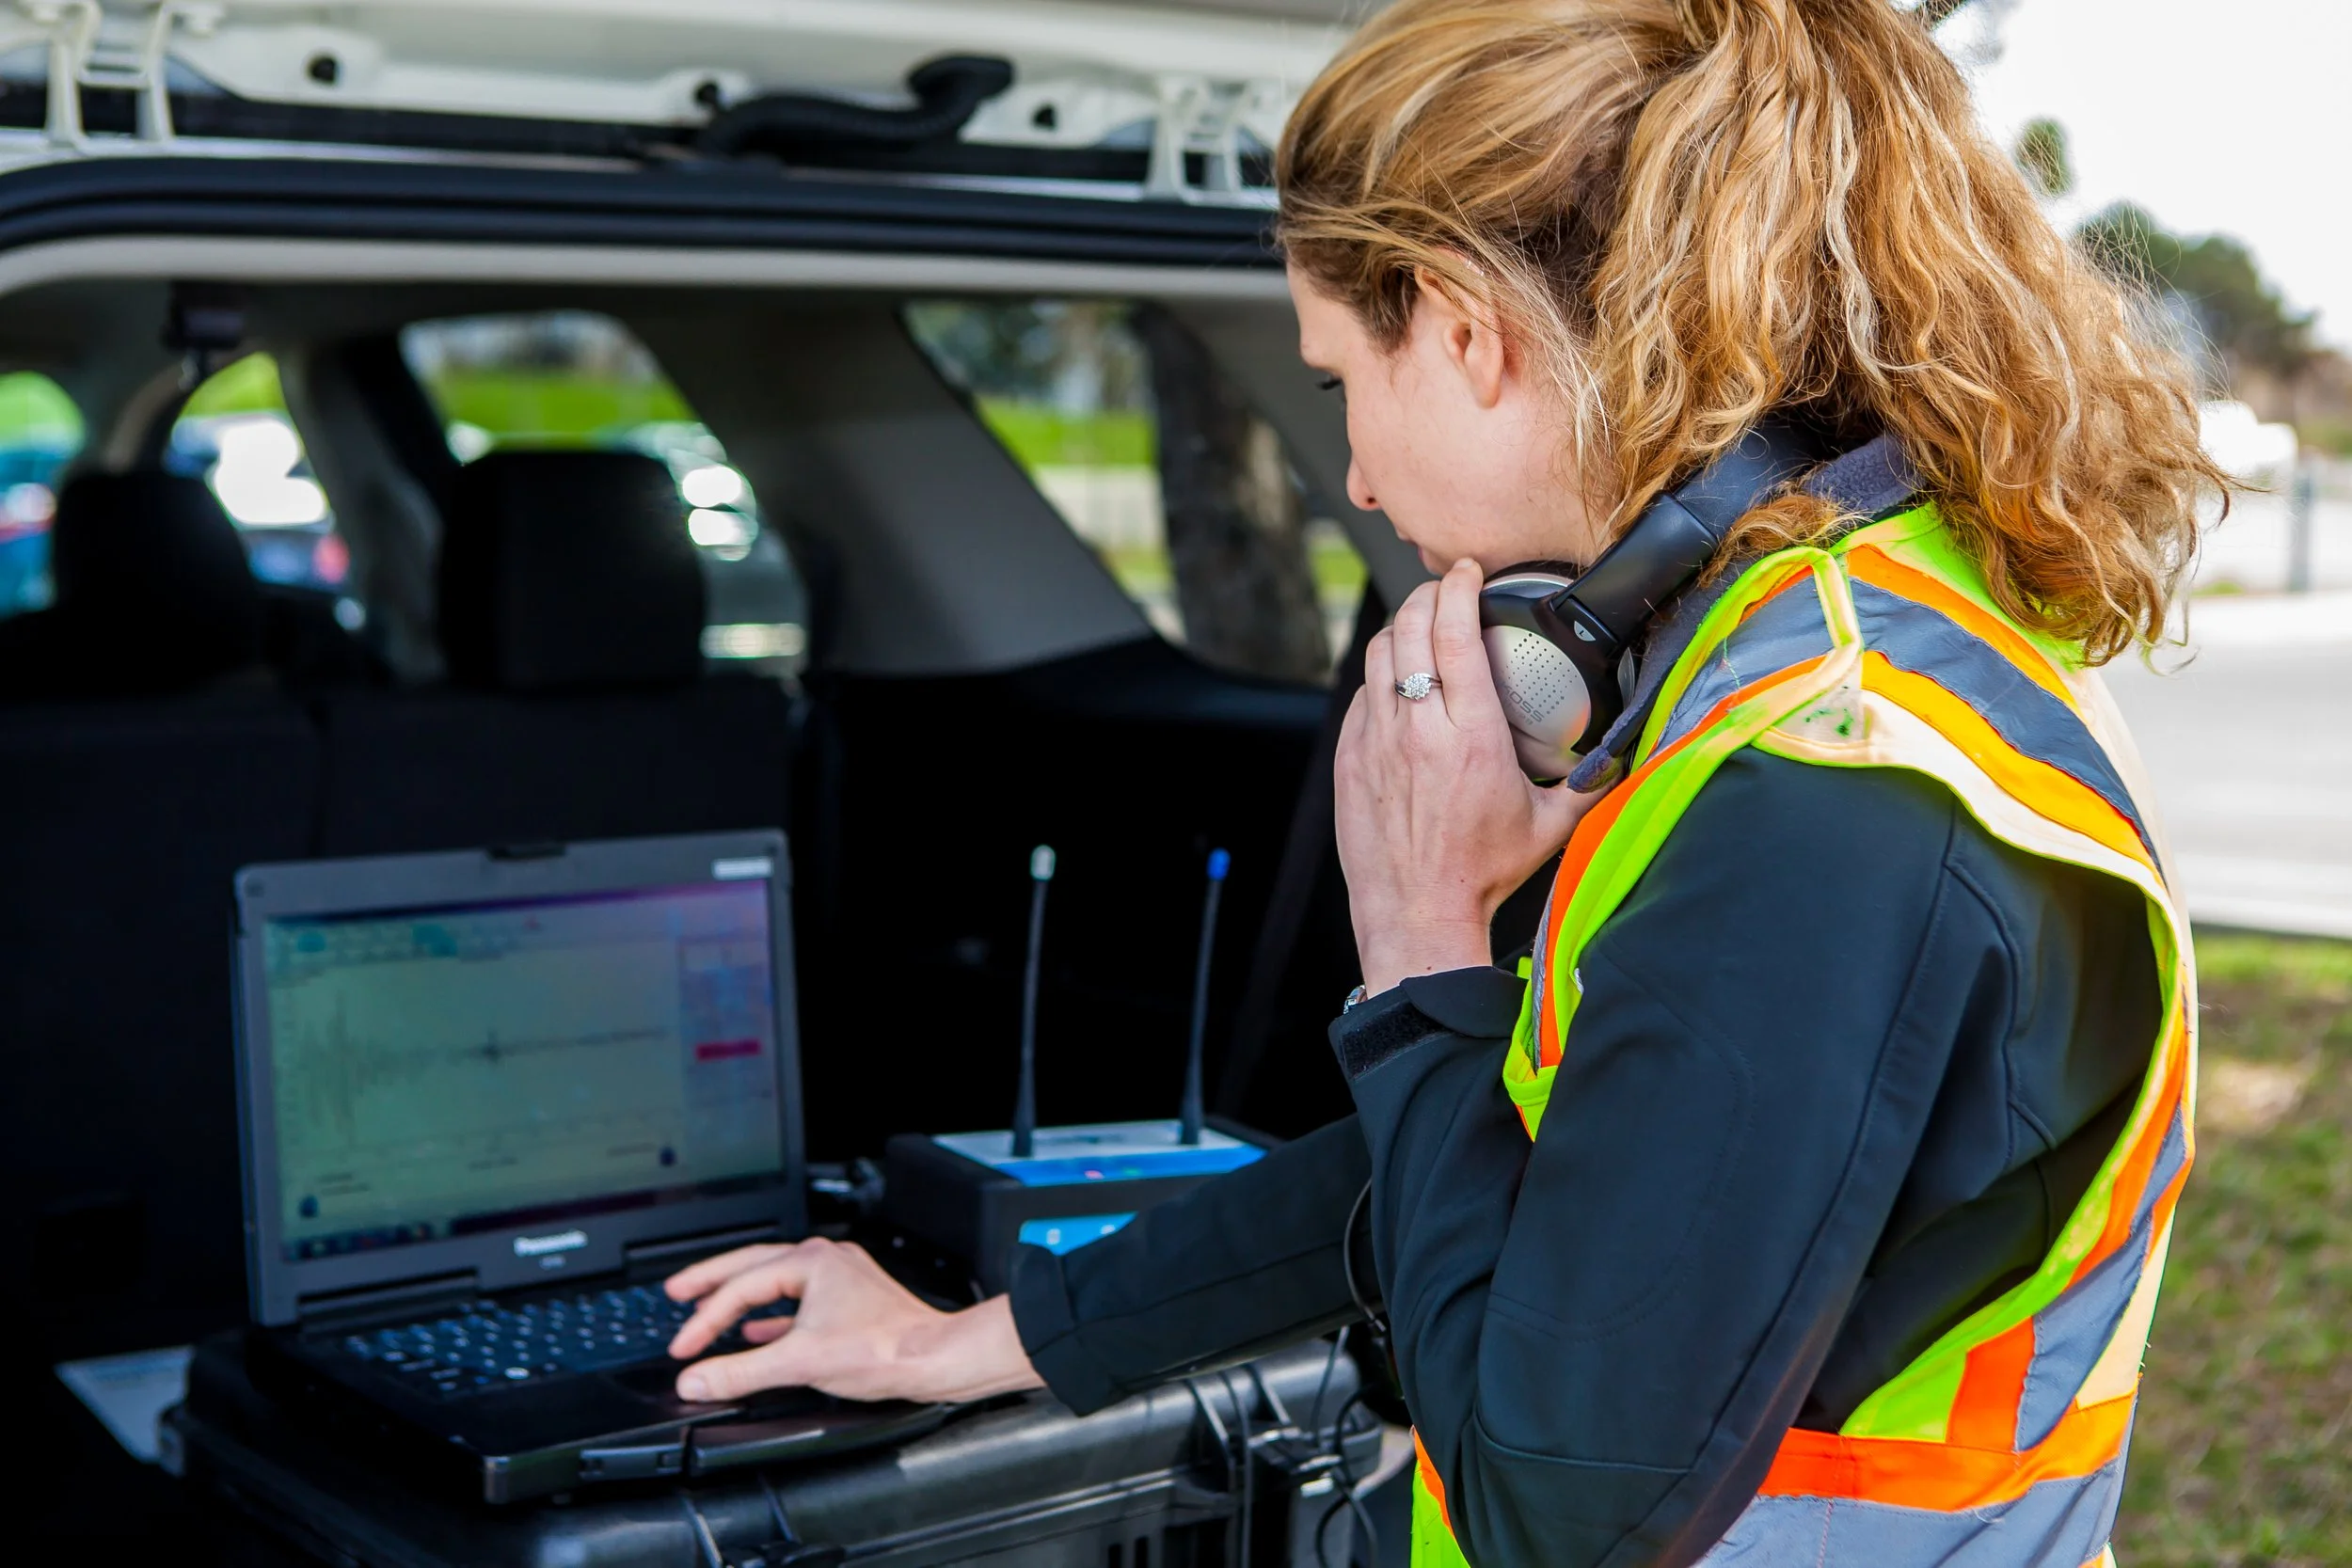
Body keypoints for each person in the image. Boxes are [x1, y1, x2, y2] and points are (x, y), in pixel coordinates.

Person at [658, 2, 2220, 1563]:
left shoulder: (1825, 799)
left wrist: (1418, 943)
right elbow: (1536, 1141)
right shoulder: (1846, 647)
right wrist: (973, 1337)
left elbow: (1560, 1513)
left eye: (1339, 380)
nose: (1351, 476)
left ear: (1469, 330)